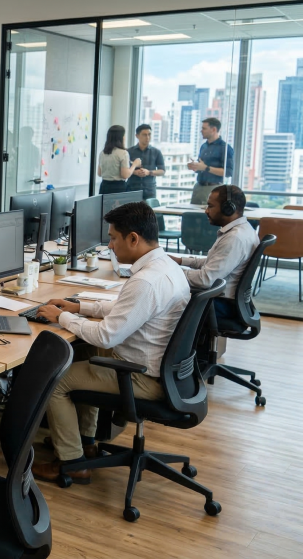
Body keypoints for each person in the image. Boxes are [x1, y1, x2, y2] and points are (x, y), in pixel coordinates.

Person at [32, 202, 190, 484]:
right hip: (164, 371)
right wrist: (78, 307)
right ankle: (86, 441)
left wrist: (63, 317)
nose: (109, 246)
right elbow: (125, 310)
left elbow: (107, 335)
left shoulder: (146, 281)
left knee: (53, 380)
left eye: (113, 238)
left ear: (133, 238)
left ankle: (72, 462)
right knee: (88, 351)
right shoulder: (165, 267)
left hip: (142, 377)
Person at [171, 185, 258, 313]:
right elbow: (213, 263)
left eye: (210, 206)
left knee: (161, 300)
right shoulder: (243, 230)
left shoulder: (235, 238)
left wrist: (170, 271)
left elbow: (205, 280)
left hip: (221, 305)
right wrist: (180, 261)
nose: (206, 211)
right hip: (223, 301)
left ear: (228, 209)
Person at [188, 117, 233, 205]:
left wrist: (206, 168)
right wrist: (195, 167)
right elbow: (202, 167)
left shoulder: (225, 148)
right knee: (193, 216)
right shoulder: (204, 147)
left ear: (213, 129)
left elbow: (228, 172)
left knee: (209, 217)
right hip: (199, 187)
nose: (201, 131)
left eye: (204, 128)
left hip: (213, 188)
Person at [97, 125, 139, 195]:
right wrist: (135, 164)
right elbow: (125, 175)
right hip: (118, 188)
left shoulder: (102, 153)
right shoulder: (123, 153)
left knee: (104, 206)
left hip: (104, 186)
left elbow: (99, 173)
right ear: (121, 137)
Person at [126, 124, 165, 200]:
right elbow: (123, 170)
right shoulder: (129, 152)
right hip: (132, 190)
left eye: (149, 134)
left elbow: (162, 171)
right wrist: (134, 172)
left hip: (150, 191)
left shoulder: (156, 152)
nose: (147, 137)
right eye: (144, 135)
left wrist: (149, 172)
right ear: (137, 136)